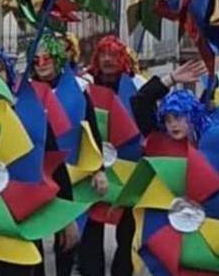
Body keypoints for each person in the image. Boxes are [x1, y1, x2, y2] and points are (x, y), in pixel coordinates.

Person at [0, 47, 82, 276]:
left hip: (24, 216)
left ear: (8, 74)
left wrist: (67, 220)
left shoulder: (29, 112)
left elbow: (53, 164)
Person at [79, 35, 206, 276]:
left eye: (114, 55)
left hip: (132, 170)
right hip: (94, 168)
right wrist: (94, 166)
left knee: (128, 233)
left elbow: (141, 103)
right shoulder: (84, 86)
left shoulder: (136, 84)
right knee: (92, 230)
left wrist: (170, 79)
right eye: (103, 54)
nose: (107, 60)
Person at [30, 33, 107, 276]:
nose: (41, 64)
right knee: (33, 234)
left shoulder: (79, 88)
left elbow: (91, 131)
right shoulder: (24, 92)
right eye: (36, 60)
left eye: (47, 58)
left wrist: (99, 169)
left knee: (67, 235)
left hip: (70, 172)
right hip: (35, 173)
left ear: (58, 59)